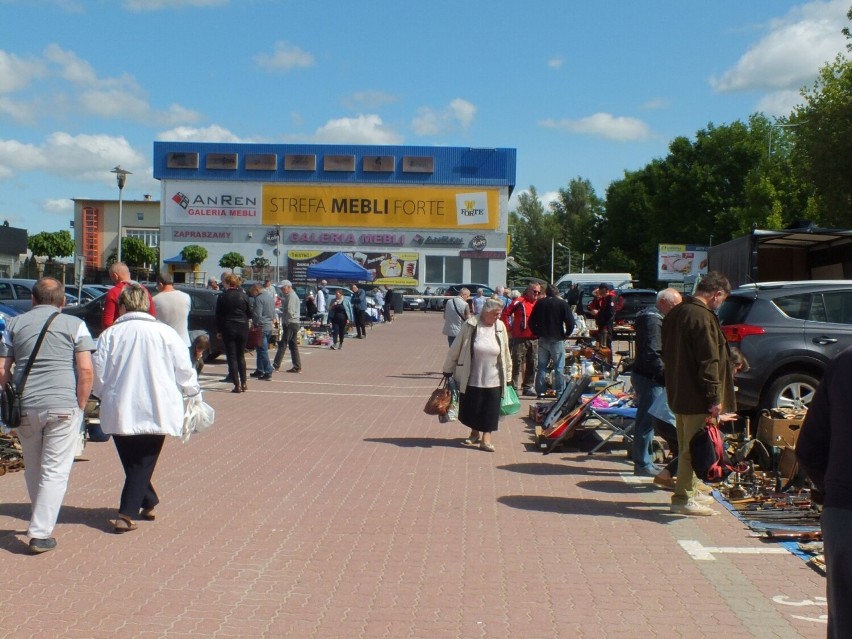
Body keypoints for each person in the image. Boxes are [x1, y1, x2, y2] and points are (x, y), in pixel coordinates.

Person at [93, 284, 201, 534]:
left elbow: (99, 373)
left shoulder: (110, 335)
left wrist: (101, 394)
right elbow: (184, 369)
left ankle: (135, 507)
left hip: (120, 405)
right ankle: (135, 507)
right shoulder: (166, 333)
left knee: (133, 460)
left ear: (122, 305)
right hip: (158, 404)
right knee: (141, 462)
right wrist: (193, 392)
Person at [0, 277, 94, 554]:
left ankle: (39, 520)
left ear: (32, 299)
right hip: (63, 404)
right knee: (55, 470)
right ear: (63, 302)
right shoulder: (76, 325)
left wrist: (6, 402)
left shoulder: (14, 325)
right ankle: (40, 533)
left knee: (33, 464)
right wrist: (80, 404)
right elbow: (86, 370)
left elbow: (3, 370)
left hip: (26, 404)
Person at [661, 271, 734, 517]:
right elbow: (709, 360)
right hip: (696, 396)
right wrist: (714, 397)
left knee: (687, 446)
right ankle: (684, 497)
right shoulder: (702, 316)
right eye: (721, 300)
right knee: (693, 449)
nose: (720, 304)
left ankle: (690, 490)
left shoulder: (677, 313)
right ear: (717, 294)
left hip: (680, 393)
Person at [796, 347, 852, 639]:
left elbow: (808, 448)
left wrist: (835, 488)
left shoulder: (844, 361)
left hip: (843, 510)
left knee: (845, 618)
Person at [442, 298, 511, 453]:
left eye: (499, 314)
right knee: (474, 406)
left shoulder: (500, 326)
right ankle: (474, 433)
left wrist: (508, 375)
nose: (498, 317)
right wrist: (448, 368)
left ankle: (486, 439)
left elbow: (506, 352)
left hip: (494, 376)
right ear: (486, 312)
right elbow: (456, 348)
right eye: (496, 314)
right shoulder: (471, 325)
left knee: (491, 408)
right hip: (472, 375)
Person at [630, 288, 682, 477]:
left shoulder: (652, 317)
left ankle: (645, 460)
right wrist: (666, 376)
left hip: (647, 374)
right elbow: (652, 353)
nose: (677, 309)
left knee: (648, 419)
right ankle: (643, 463)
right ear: (664, 302)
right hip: (650, 377)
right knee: (647, 420)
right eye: (675, 305)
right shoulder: (653, 320)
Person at [529, 284, 575, 398]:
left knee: (542, 366)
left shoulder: (540, 303)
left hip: (543, 338)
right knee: (559, 367)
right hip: (557, 338)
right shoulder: (562, 303)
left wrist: (537, 332)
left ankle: (540, 392)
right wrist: (567, 334)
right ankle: (560, 393)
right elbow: (570, 322)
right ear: (557, 293)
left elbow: (531, 321)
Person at [501, 282, 540, 397]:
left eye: (538, 292)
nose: (536, 294)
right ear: (528, 290)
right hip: (519, 338)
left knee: (533, 363)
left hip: (534, 338)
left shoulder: (538, 303)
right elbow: (505, 313)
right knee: (516, 362)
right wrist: (508, 329)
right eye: (534, 291)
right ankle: (512, 387)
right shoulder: (519, 301)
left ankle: (528, 387)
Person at [215, 273, 252, 393]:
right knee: (241, 356)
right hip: (242, 327)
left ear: (227, 283)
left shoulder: (222, 297)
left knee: (231, 356)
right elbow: (250, 313)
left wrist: (219, 330)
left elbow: (218, 315)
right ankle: (244, 382)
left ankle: (237, 385)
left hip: (228, 327)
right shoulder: (243, 296)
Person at [102, 262, 155, 330]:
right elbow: (152, 315)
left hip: (121, 334)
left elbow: (107, 322)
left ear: (115, 276)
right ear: (129, 274)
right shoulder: (144, 290)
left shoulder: (113, 292)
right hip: (144, 331)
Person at [154, 274, 192, 361]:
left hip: (164, 344)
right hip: (183, 342)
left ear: (160, 284)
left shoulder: (155, 300)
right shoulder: (186, 297)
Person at [248, 283, 276, 380]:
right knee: (260, 349)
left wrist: (254, 324)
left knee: (262, 350)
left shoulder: (259, 299)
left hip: (261, 327)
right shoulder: (270, 297)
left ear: (256, 289)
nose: (252, 294)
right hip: (269, 326)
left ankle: (268, 371)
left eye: (252, 292)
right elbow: (273, 312)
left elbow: (257, 314)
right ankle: (260, 369)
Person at [274, 280, 302, 372]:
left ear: (288, 287)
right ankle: (297, 366)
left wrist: (284, 315)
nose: (282, 290)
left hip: (290, 322)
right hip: (294, 322)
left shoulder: (291, 296)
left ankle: (276, 365)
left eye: (283, 288)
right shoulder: (290, 296)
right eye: (281, 288)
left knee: (283, 344)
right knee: (293, 345)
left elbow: (290, 310)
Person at [587, 283, 615, 350]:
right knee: (601, 345)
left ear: (604, 290)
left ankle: (609, 360)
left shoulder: (610, 298)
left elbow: (610, 313)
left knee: (606, 346)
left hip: (606, 326)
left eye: (600, 290)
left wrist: (598, 312)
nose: (599, 292)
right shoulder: (604, 299)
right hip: (601, 324)